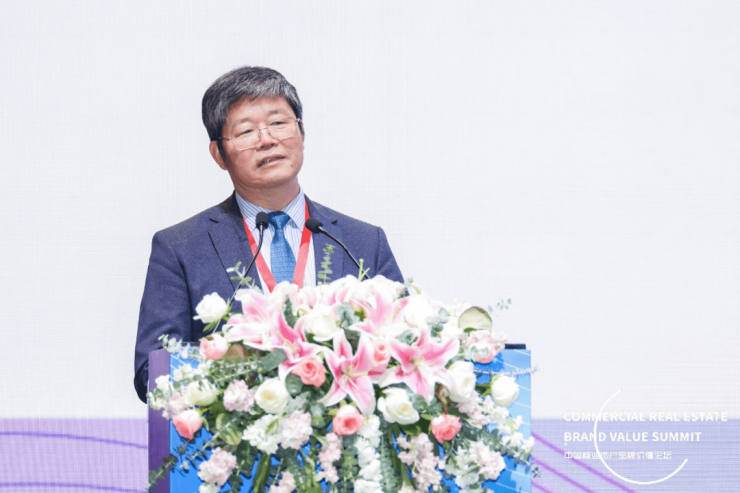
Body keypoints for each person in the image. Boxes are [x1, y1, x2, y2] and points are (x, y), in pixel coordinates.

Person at [134, 66, 403, 402]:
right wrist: (239, 370)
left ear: (301, 132)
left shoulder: (362, 242)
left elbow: (405, 342)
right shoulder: (180, 248)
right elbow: (152, 371)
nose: (267, 140)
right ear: (219, 154)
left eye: (278, 123)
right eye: (246, 131)